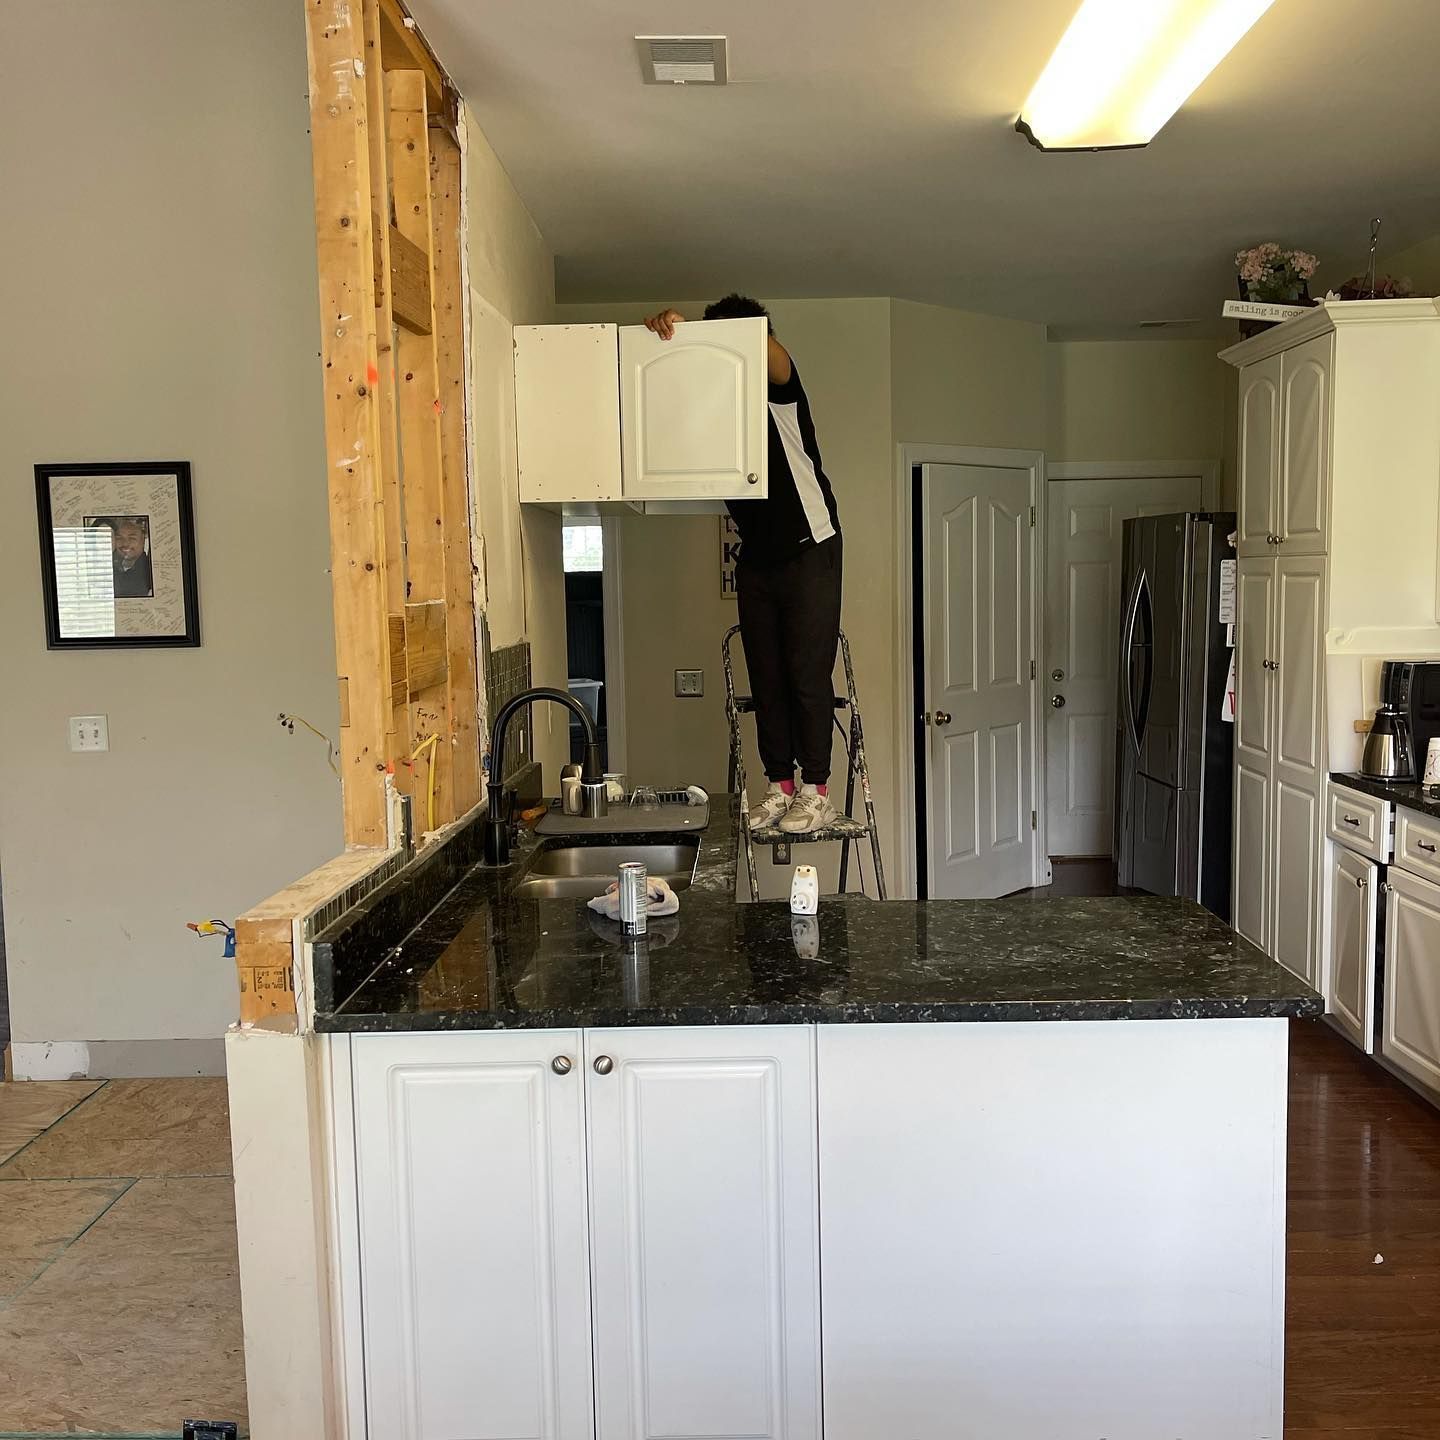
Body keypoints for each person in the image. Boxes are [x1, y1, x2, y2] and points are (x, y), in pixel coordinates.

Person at [646, 297, 842, 835]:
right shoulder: (719, 404)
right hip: (757, 554)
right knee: (767, 677)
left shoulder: (779, 393)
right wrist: (670, 338)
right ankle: (779, 787)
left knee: (806, 673)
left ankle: (815, 790)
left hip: (810, 544)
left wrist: (718, 336)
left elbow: (774, 358)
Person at [110, 517, 154, 599]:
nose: (125, 543)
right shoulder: (106, 569)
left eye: (132, 538)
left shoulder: (151, 572)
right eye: (119, 537)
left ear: (144, 538)